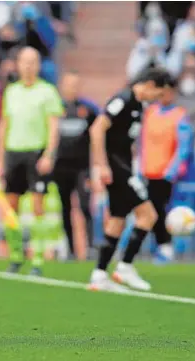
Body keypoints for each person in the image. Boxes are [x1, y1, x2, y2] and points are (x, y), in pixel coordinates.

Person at [89, 67, 172, 292]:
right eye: (158, 94)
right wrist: (101, 165)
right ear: (150, 85)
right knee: (149, 215)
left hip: (124, 166)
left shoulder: (138, 104)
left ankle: (99, 274)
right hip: (116, 169)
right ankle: (125, 266)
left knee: (117, 219)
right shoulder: (123, 99)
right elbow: (97, 129)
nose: (157, 100)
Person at [0, 46, 63, 275]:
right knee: (10, 206)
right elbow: (4, 125)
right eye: (24, 61)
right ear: (18, 64)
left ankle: (38, 259)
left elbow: (53, 126)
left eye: (33, 61)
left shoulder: (48, 91)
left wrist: (48, 154)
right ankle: (15, 255)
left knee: (37, 206)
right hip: (14, 152)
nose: (28, 65)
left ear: (39, 65)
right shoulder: (11, 91)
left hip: (36, 152)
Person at [137, 77, 193, 263]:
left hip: (166, 174)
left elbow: (183, 147)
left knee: (160, 210)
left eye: (168, 91)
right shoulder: (150, 112)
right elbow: (142, 141)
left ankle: (166, 246)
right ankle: (160, 246)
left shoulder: (179, 115)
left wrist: (172, 170)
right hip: (148, 170)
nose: (164, 95)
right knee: (151, 210)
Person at [54, 71, 98, 259]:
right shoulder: (55, 108)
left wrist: (96, 163)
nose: (71, 88)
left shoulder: (88, 109)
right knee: (65, 207)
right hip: (61, 167)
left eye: (75, 84)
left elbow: (98, 135)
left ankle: (91, 247)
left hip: (82, 167)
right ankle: (70, 249)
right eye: (68, 84)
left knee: (86, 205)